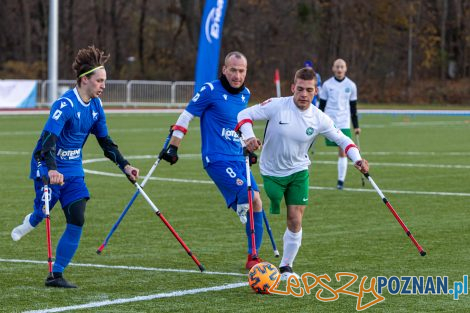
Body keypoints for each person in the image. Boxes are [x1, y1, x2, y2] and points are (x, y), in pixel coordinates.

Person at [11, 46, 140, 288]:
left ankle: (56, 274)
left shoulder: (96, 106)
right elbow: (47, 142)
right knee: (43, 213)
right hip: (47, 165)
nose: (103, 85)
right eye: (99, 80)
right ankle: (31, 220)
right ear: (84, 80)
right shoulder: (65, 105)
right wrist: (51, 169)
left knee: (77, 217)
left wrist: (125, 165)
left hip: (73, 169)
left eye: (104, 81)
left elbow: (105, 141)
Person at [236, 67, 369, 280]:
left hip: (299, 170)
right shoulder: (276, 105)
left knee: (295, 219)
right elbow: (244, 114)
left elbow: (343, 139)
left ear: (315, 92)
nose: (304, 94)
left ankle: (286, 267)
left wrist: (357, 158)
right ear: (292, 88)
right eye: (300, 89)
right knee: (273, 204)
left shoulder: (319, 118)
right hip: (271, 171)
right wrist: (249, 137)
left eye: (309, 90)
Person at [159, 51, 264, 270]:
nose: (237, 75)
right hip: (216, 158)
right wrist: (174, 146)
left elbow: (241, 124)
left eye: (241, 70)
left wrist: (248, 144)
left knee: (257, 202)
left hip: (237, 157)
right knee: (250, 196)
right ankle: (240, 206)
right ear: (225, 69)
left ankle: (253, 257)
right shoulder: (209, 90)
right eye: (233, 70)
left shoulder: (245, 94)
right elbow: (186, 115)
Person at [318, 58, 359, 190]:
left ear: (345, 69)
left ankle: (340, 181)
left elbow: (353, 108)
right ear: (333, 68)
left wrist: (356, 126)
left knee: (343, 152)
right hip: (329, 122)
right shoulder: (327, 85)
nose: (339, 69)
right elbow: (321, 106)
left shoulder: (351, 85)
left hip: (344, 122)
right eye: (337, 67)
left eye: (342, 67)